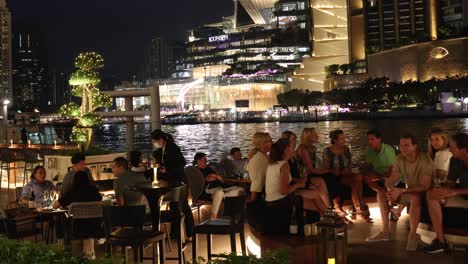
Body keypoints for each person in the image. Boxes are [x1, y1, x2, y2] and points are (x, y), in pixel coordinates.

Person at [366, 134, 433, 251]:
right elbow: (393, 179)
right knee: (381, 194)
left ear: (415, 146)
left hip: (426, 193)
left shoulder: (425, 159)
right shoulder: (400, 159)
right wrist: (390, 191)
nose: (403, 148)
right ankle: (385, 232)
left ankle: (412, 236)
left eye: (406, 145)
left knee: (415, 197)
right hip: (409, 191)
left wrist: (401, 190)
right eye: (401, 145)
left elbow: (425, 186)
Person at [264, 138, 329, 233]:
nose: (294, 149)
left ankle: (326, 219)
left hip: (272, 198)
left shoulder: (274, 163)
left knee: (315, 193)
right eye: (292, 147)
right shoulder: (284, 165)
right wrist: (299, 184)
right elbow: (283, 191)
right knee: (316, 204)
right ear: (286, 150)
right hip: (278, 200)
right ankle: (329, 220)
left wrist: (300, 183)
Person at [424, 133, 468, 253]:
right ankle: (441, 242)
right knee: (431, 195)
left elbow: (454, 189)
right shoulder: (455, 160)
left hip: (461, 192)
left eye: (453, 147)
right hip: (462, 195)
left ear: (464, 150)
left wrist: (453, 191)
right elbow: (451, 183)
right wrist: (443, 191)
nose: (450, 149)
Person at [151, 129, 194, 236]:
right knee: (174, 206)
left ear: (160, 139)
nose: (155, 143)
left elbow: (181, 163)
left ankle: (190, 231)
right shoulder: (163, 149)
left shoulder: (172, 148)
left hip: (178, 181)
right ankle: (176, 232)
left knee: (183, 206)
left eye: (155, 141)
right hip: (171, 180)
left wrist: (167, 170)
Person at [53, 170, 102, 259]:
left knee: (61, 220)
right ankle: (90, 255)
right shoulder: (94, 190)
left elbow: (55, 205)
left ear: (74, 181)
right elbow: (100, 200)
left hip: (76, 226)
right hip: (95, 225)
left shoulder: (72, 192)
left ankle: (66, 248)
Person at [322, 129, 369, 221]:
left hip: (345, 174)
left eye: (344, 138)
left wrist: (346, 171)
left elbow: (349, 165)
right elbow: (326, 168)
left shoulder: (346, 150)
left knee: (358, 178)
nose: (344, 141)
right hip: (334, 176)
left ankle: (357, 208)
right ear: (335, 140)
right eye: (341, 139)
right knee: (355, 181)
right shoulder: (328, 151)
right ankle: (358, 209)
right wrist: (336, 171)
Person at [283, 129, 330, 208]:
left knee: (321, 181)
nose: (295, 141)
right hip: (295, 182)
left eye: (295, 139)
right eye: (293, 139)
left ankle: (328, 208)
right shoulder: (286, 156)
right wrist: (300, 181)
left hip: (301, 178)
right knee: (321, 182)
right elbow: (309, 169)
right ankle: (328, 209)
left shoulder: (294, 154)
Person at [193, 152, 244, 219]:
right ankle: (213, 216)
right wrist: (215, 176)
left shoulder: (208, 169)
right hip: (208, 190)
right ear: (198, 161)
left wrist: (215, 176)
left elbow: (221, 180)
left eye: (206, 160)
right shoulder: (196, 171)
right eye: (204, 160)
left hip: (221, 187)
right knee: (219, 191)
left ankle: (220, 196)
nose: (206, 162)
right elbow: (208, 179)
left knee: (241, 189)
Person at [360, 130, 396, 224]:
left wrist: (377, 177)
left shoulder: (388, 150)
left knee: (389, 181)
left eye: (372, 139)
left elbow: (392, 171)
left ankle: (390, 206)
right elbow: (370, 166)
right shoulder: (370, 151)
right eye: (368, 139)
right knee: (363, 177)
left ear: (379, 139)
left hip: (391, 176)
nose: (370, 142)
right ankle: (381, 191)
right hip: (379, 174)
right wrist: (365, 171)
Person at [246, 132, 272, 200]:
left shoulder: (259, 155)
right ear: (262, 144)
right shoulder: (261, 158)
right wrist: (253, 201)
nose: (272, 142)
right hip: (260, 194)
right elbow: (257, 181)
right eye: (270, 141)